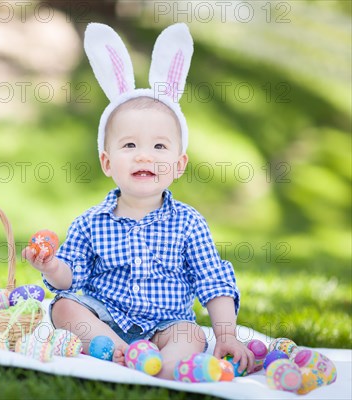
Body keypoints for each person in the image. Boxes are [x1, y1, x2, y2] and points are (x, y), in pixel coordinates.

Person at [23, 23, 254, 379]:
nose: (144, 156)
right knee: (64, 308)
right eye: (129, 145)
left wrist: (226, 334)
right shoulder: (91, 222)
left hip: (167, 322)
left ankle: (165, 365)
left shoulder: (189, 223)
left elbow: (213, 281)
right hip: (107, 315)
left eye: (159, 146)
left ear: (179, 165)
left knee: (190, 334)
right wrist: (51, 266)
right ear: (107, 162)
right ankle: (119, 350)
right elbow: (71, 277)